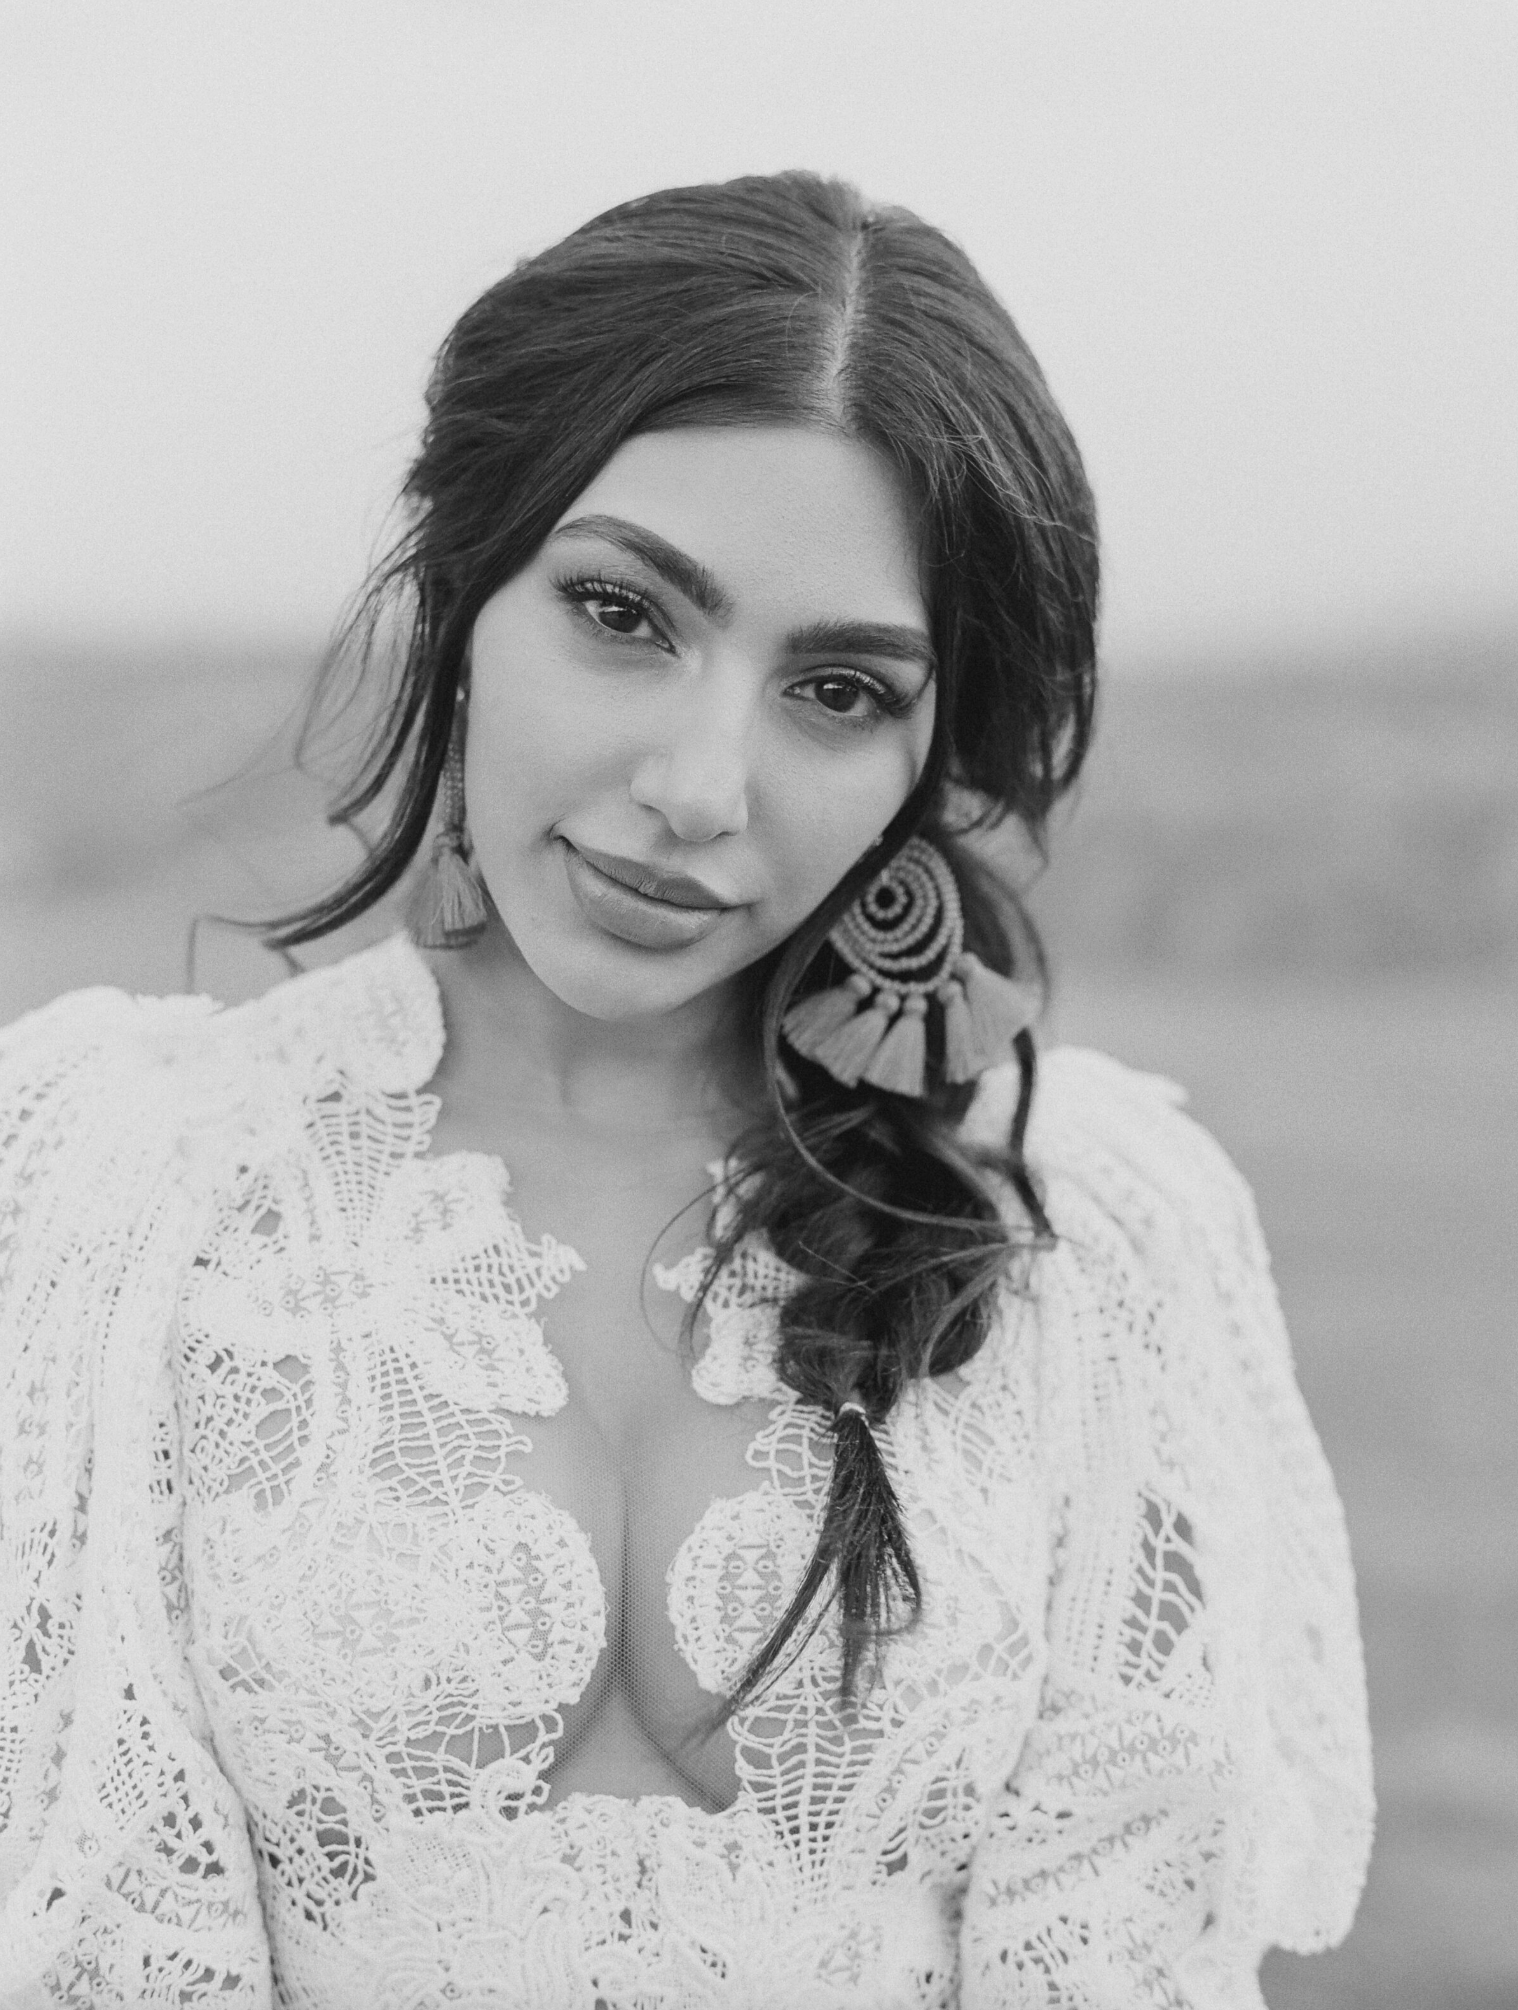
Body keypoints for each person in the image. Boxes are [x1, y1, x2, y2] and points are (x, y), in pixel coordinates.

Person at [0, 171, 1371, 2008]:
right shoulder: (117, 1178)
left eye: (836, 689)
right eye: (624, 613)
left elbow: (1114, 1961)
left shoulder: (1091, 1227)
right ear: (463, 580)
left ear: (920, 755)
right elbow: (83, 1937)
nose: (701, 786)